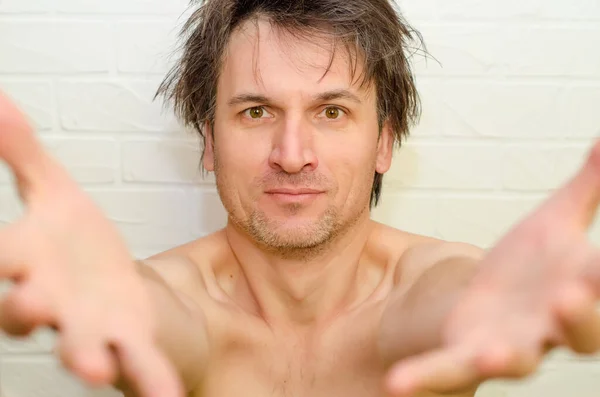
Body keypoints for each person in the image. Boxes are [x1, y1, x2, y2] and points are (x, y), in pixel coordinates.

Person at [0, 0, 599, 396]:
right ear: (210, 141)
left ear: (384, 143)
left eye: (332, 112)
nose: (292, 153)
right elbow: (156, 316)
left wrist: (483, 302)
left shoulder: (430, 286)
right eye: (256, 111)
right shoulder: (167, 300)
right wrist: (119, 305)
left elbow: (449, 299)